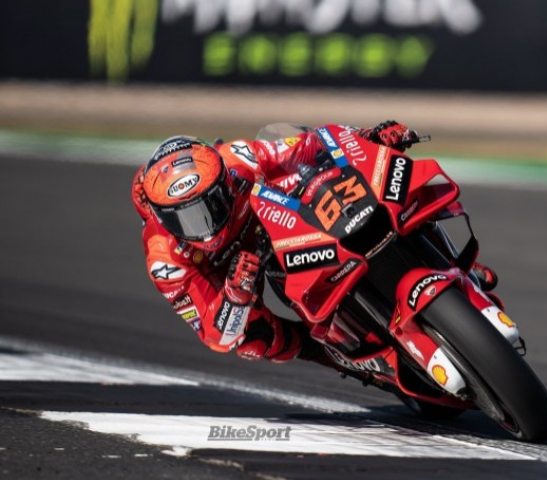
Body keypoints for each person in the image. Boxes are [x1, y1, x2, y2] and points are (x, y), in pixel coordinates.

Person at [131, 121, 498, 363]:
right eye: (185, 219)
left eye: (208, 208)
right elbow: (217, 336)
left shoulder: (238, 160)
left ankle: (441, 259)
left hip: (270, 223)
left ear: (224, 183)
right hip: (230, 276)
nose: (204, 228)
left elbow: (307, 146)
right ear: (162, 218)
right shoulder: (165, 260)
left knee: (365, 189)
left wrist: (368, 137)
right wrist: (236, 294)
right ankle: (329, 352)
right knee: (252, 340)